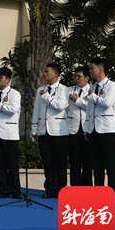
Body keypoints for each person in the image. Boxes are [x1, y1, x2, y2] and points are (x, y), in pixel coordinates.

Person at [85, 57, 115, 204]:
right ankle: (99, 194)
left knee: (111, 164)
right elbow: (89, 110)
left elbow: (106, 103)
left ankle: (114, 195)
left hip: (108, 129)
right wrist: (87, 129)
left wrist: (93, 96)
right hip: (94, 130)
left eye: (92, 68)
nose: (90, 70)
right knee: (97, 165)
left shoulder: (112, 85)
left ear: (100, 69)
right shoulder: (92, 87)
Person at [31, 63, 69, 199]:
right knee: (47, 161)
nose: (44, 74)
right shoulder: (41, 89)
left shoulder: (64, 89)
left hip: (59, 131)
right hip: (43, 130)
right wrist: (34, 128)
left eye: (47, 71)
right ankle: (49, 189)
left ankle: (61, 189)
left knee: (60, 162)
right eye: (44, 71)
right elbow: (37, 110)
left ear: (55, 74)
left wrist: (47, 96)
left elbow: (60, 106)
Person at [0, 66, 21, 200]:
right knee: (0, 164)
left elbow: (12, 109)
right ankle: (4, 189)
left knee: (12, 164)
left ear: (7, 79)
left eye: (0, 77)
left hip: (10, 133)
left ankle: (16, 190)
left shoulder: (15, 94)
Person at [67, 66, 93, 185]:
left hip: (87, 128)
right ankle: (75, 186)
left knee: (88, 160)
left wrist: (78, 101)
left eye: (79, 76)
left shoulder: (93, 90)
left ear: (87, 78)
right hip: (73, 128)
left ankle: (87, 186)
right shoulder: (69, 90)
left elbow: (92, 107)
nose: (76, 79)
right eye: (75, 76)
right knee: (74, 160)